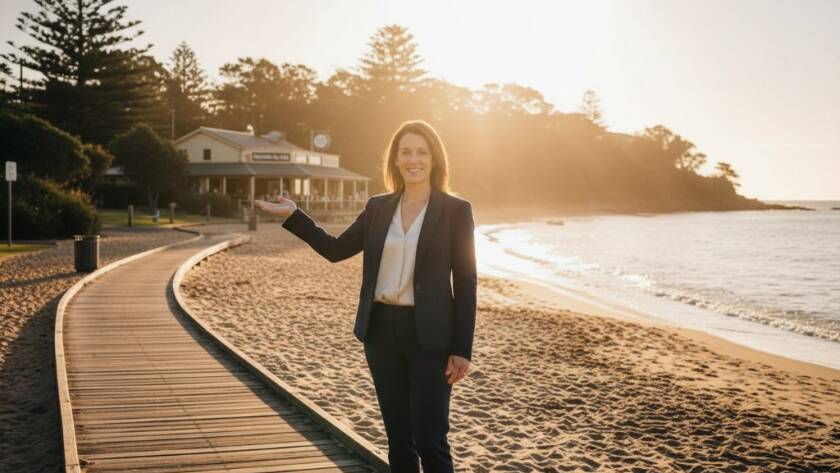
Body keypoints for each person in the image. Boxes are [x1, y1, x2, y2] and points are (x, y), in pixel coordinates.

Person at [256, 119, 476, 472]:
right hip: (381, 332)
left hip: (431, 339)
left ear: (435, 159)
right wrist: (295, 216)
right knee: (399, 439)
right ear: (395, 159)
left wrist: (461, 348)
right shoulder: (378, 207)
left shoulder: (456, 211)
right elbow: (336, 248)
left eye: (422, 152)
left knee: (430, 438)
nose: (413, 159)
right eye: (406, 152)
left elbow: (466, 281)